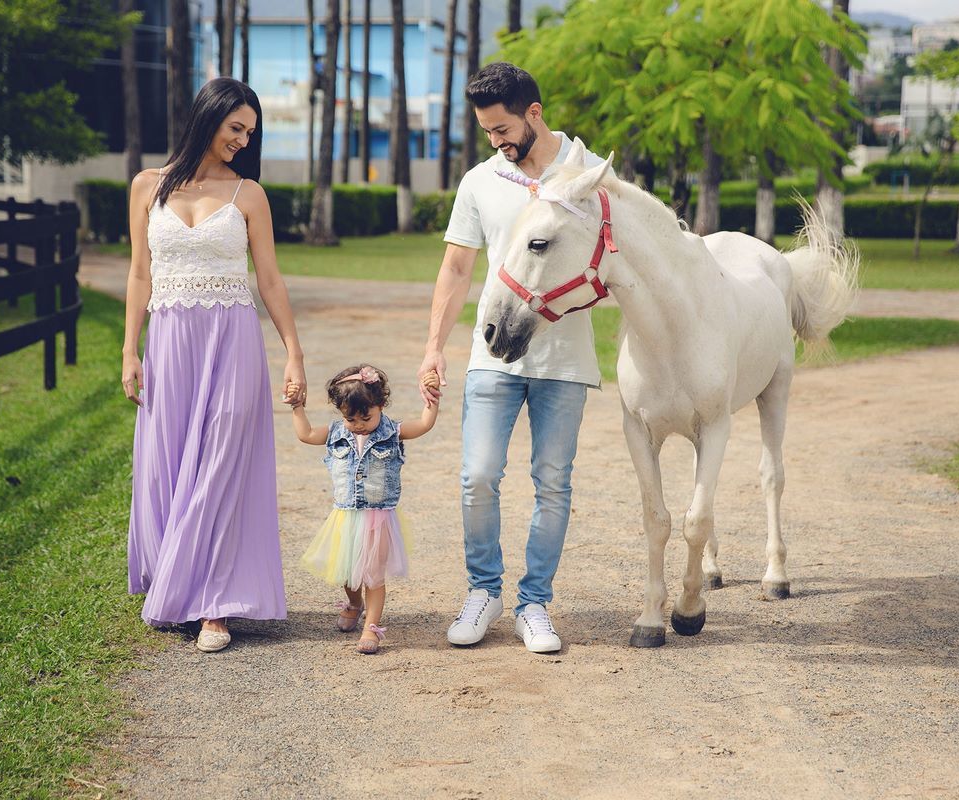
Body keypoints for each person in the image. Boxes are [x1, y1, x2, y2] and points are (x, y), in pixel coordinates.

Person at [417, 62, 605, 654]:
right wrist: (434, 346)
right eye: (486, 131)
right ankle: (484, 591)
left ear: (534, 114)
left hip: (564, 357)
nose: (495, 140)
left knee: (553, 482)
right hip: (492, 354)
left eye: (501, 128)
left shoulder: (587, 174)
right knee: (478, 476)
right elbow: (456, 267)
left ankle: (534, 603)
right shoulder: (480, 181)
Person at [122, 77, 307, 653]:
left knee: (223, 461)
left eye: (250, 133)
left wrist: (293, 352)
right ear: (208, 118)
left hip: (232, 340)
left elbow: (269, 280)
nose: (243, 141)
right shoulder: (147, 186)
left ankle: (215, 605)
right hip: (169, 342)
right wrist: (129, 349)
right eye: (236, 128)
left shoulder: (249, 195)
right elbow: (139, 273)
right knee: (169, 463)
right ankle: (177, 582)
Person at [290, 365, 439, 654]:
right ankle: (354, 603)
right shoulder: (335, 432)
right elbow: (305, 434)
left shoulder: (393, 432)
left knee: (373, 574)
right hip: (345, 516)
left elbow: (424, 424)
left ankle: (372, 626)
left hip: (378, 518)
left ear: (380, 405)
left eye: (366, 417)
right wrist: (297, 406)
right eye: (350, 418)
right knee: (348, 571)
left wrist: (432, 397)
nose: (358, 424)